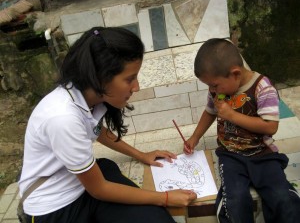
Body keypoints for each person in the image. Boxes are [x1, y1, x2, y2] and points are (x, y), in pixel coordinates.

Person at [18, 26, 197, 223]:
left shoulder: (86, 96)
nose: (136, 87)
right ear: (100, 77)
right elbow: (100, 189)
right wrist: (165, 198)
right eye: (130, 79)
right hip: (56, 209)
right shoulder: (62, 118)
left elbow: (98, 131)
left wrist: (141, 155)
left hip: (81, 186)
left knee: (148, 211)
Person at [184, 38, 300, 223]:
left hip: (263, 154)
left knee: (283, 200)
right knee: (235, 201)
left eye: (214, 85)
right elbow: (210, 112)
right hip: (230, 155)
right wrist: (195, 137)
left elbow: (271, 126)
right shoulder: (219, 90)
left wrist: (231, 115)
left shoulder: (262, 88)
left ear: (235, 74)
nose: (212, 90)